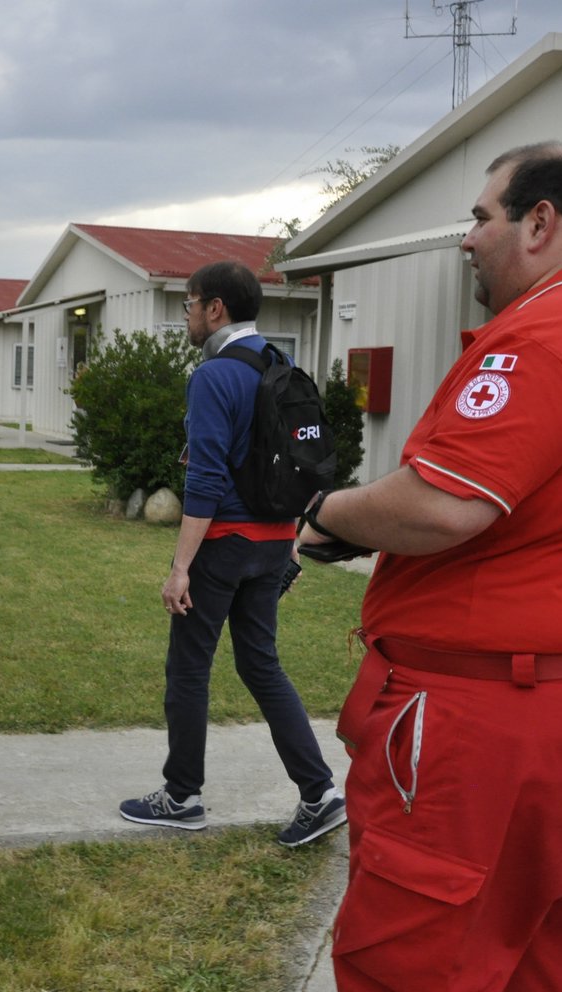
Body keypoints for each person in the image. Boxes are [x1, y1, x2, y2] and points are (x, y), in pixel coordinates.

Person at [296, 142, 562, 992]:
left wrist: (328, 511)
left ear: (541, 222)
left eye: (480, 218)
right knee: (543, 956)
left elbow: (444, 503)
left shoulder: (553, 327)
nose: (468, 240)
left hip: (504, 724)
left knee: (410, 984)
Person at [116, 261, 344, 846]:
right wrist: (292, 545)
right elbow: (301, 472)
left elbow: (206, 482)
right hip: (271, 545)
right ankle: (319, 792)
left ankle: (182, 795)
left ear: (215, 308)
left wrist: (180, 568)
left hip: (223, 548)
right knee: (260, 665)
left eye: (189, 305)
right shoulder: (281, 365)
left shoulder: (214, 376)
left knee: (188, 669)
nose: (187, 315)